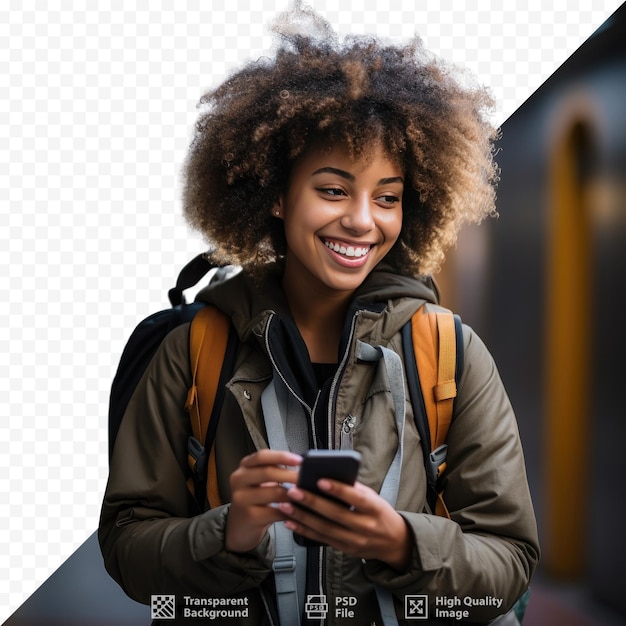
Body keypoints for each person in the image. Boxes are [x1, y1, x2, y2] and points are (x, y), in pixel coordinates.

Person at [99, 4, 539, 625]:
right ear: (276, 195)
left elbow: (510, 559)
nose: (363, 220)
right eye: (333, 190)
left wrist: (401, 542)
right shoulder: (194, 348)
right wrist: (229, 531)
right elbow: (126, 546)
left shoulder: (451, 354)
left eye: (387, 197)